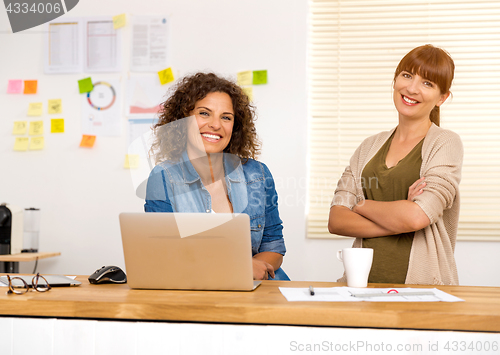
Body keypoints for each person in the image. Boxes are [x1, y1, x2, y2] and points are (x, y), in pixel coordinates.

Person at [328, 45, 463, 285]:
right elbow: (337, 220)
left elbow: (416, 217)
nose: (412, 88)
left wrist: (360, 204)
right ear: (395, 80)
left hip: (423, 287)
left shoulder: (445, 143)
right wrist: (400, 218)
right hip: (359, 285)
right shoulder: (369, 147)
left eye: (427, 83)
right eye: (407, 75)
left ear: (442, 98)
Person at [144, 72, 289, 281]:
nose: (215, 125)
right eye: (204, 113)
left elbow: (273, 246)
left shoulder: (257, 174)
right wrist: (236, 268)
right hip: (195, 289)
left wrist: (253, 269)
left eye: (226, 117)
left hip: (258, 288)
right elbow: (165, 253)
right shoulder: (164, 177)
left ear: (235, 126)